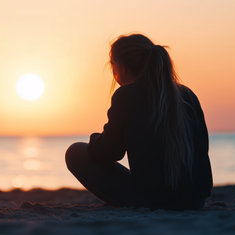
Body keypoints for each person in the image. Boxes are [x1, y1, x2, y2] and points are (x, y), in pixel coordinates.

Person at [65, 34, 212, 210]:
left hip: (154, 200)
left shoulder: (126, 95)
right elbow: (203, 147)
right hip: (195, 200)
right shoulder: (187, 94)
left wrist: (95, 139)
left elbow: (108, 152)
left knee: (75, 152)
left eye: (112, 64)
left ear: (121, 67)